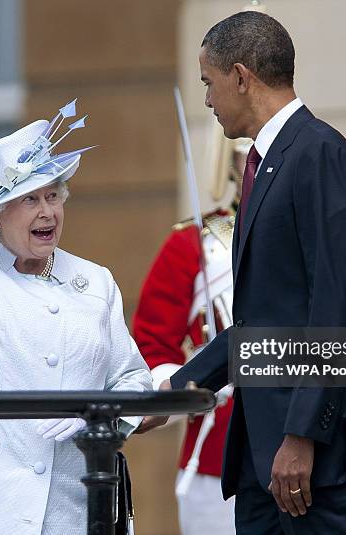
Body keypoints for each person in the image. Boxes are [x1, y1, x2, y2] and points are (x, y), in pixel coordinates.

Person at [140, 11, 346, 534]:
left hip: (310, 468)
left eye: (208, 82)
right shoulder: (271, 162)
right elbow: (258, 322)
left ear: (241, 77)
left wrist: (303, 436)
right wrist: (177, 391)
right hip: (262, 463)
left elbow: (339, 310)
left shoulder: (319, 155)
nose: (206, 99)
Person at [0, 105, 152, 535]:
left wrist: (98, 417)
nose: (47, 211)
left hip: (78, 508)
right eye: (29, 199)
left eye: (52, 195)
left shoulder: (94, 280)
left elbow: (132, 379)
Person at [133, 133, 250, 535]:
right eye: (248, 155)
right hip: (218, 445)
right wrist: (195, 385)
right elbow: (151, 345)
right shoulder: (191, 243)